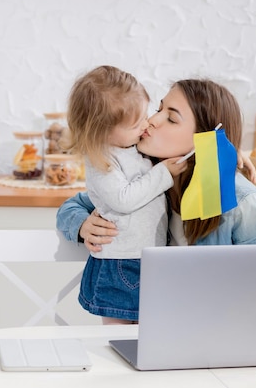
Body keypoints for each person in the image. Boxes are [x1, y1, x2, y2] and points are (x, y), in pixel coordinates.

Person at [57, 78, 256, 324]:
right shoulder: (150, 176)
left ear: (203, 138)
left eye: (171, 118)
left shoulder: (240, 200)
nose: (152, 121)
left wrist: (223, 158)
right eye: (159, 108)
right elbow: (76, 204)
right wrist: (82, 225)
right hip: (185, 327)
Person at [63, 65, 185, 325]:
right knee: (115, 340)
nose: (147, 124)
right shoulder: (102, 160)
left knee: (145, 338)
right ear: (103, 132)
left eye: (146, 114)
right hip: (120, 264)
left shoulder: (136, 148)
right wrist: (163, 173)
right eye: (135, 124)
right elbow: (123, 199)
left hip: (149, 260)